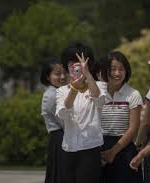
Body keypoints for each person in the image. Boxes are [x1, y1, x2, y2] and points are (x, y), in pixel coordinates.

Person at [56, 42, 106, 183]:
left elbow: (99, 100)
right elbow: (63, 113)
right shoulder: (62, 90)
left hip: (91, 148)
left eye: (79, 63)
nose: (76, 67)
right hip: (68, 148)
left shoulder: (99, 85)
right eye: (71, 63)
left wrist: (88, 75)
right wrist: (74, 88)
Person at [100, 51, 143, 183]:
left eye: (121, 69)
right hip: (100, 148)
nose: (117, 73)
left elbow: (133, 128)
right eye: (113, 69)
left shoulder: (133, 94)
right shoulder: (98, 93)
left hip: (124, 149)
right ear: (105, 70)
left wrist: (113, 152)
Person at [40, 57, 67, 183]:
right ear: (47, 77)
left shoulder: (60, 92)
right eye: (57, 73)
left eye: (64, 73)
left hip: (64, 137)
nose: (62, 76)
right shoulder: (51, 95)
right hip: (60, 139)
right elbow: (64, 122)